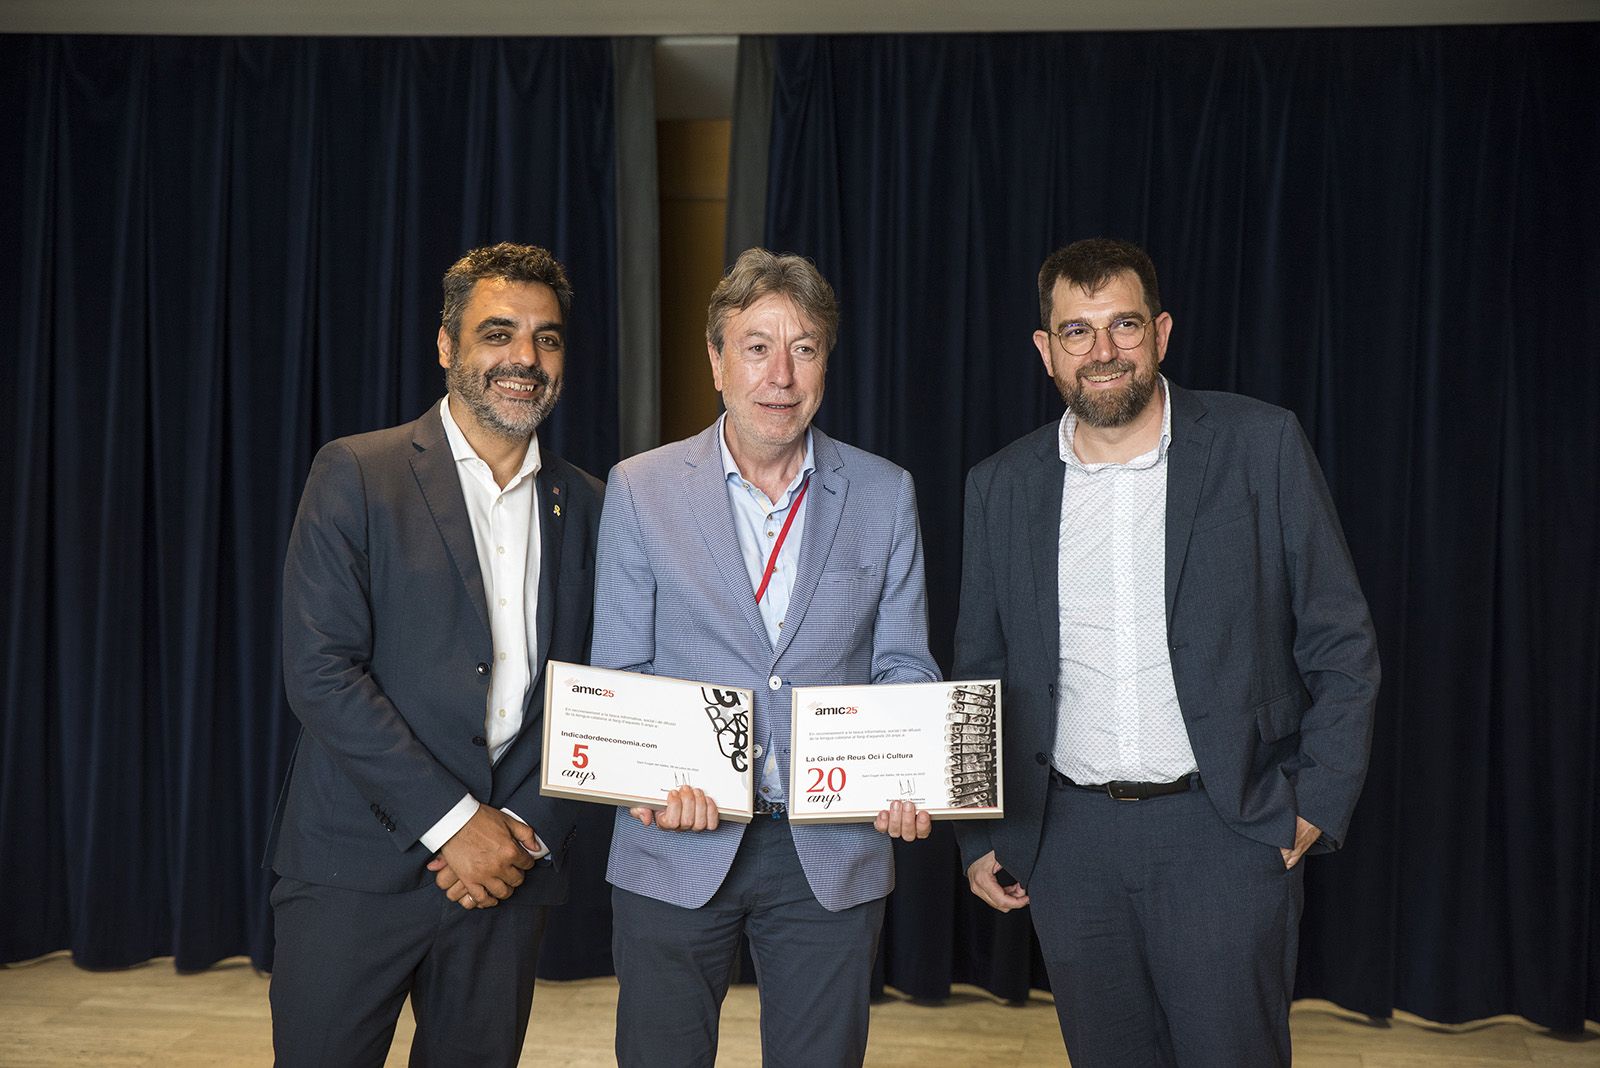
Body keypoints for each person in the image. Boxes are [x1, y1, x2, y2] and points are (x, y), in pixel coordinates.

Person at [954, 238, 1379, 1066]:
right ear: (1047, 352)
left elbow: (1341, 639)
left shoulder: (1261, 446)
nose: (1102, 351)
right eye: (1077, 332)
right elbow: (981, 669)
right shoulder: (1000, 486)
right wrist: (977, 835)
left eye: (1123, 325)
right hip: (1068, 847)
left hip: (1224, 835)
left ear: (1162, 333)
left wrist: (1316, 803)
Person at [590, 247, 941, 1067]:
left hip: (830, 851)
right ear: (716, 361)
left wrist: (905, 779)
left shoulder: (885, 493)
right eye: (756, 347)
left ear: (825, 362)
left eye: (805, 348)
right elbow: (620, 674)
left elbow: (905, 669)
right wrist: (650, 783)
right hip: (672, 844)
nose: (780, 374)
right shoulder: (641, 488)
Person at [266, 242, 604, 1066]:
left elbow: (597, 687)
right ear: (447, 347)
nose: (524, 358)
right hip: (355, 870)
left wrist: (522, 829)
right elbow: (321, 670)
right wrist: (457, 826)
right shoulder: (357, 472)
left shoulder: (590, 503)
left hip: (507, 877)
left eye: (547, 338)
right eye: (499, 334)